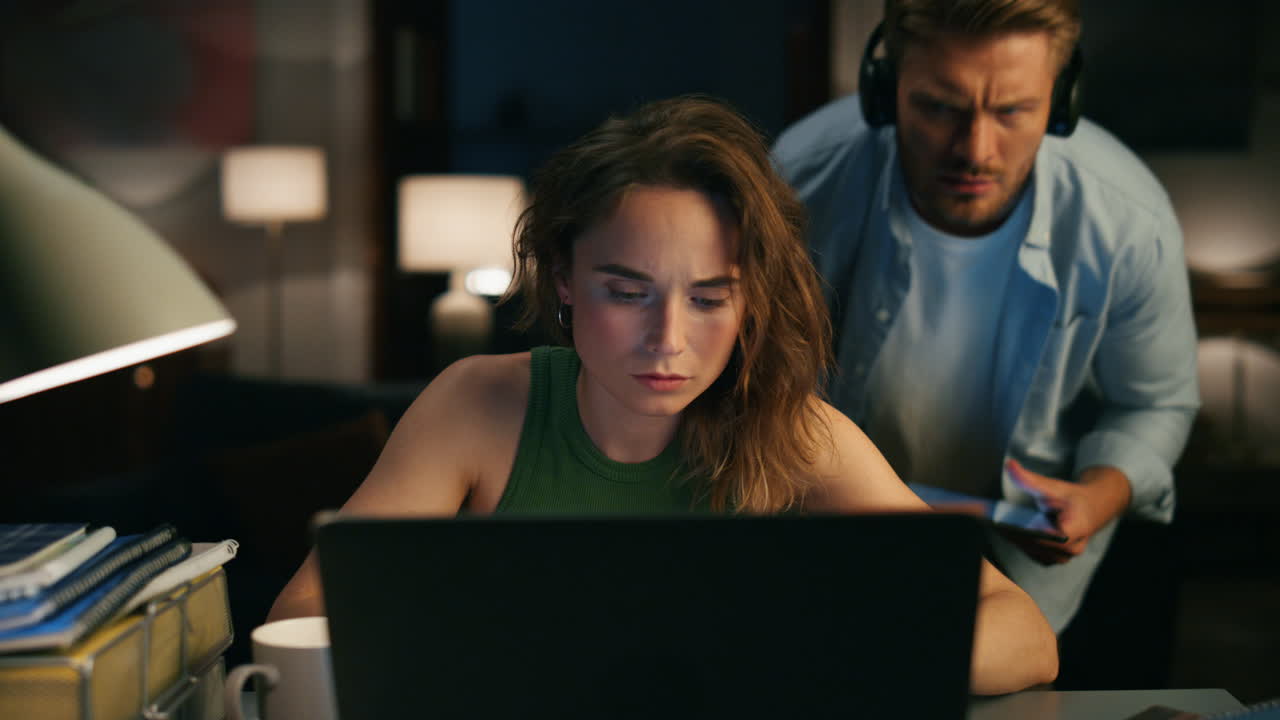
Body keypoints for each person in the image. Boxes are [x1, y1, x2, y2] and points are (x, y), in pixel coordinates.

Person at [268, 95, 1058, 694]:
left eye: (712, 298)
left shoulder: (795, 433)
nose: (669, 340)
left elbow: (1024, 633)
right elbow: (301, 615)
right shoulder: (475, 405)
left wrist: (825, 671)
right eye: (627, 291)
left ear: (750, 303)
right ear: (566, 278)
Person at [771, 0, 1200, 635]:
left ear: (1062, 99)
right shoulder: (801, 183)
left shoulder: (1129, 222)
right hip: (829, 537)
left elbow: (1155, 404)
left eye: (1013, 112)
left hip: (1029, 566)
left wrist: (1098, 495)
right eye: (939, 107)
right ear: (884, 90)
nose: (975, 149)